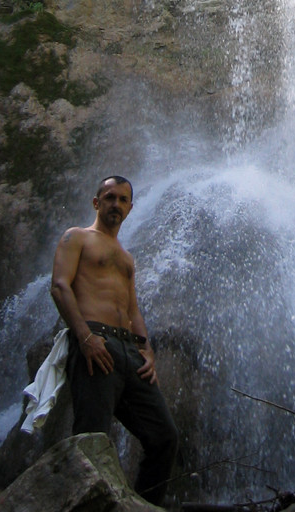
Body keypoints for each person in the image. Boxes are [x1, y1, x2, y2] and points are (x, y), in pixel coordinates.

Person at [51, 174, 178, 507]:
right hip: (97, 342)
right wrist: (85, 337)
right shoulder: (77, 237)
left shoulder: (126, 258)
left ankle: (141, 506)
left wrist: (146, 349)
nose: (116, 205)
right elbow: (60, 287)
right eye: (109, 198)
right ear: (96, 202)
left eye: (123, 200)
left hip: (129, 352)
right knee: (92, 439)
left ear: (131, 208)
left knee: (164, 437)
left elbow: (133, 309)